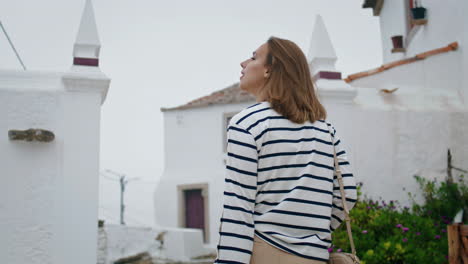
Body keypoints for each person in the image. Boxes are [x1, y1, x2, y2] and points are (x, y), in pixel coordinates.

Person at [214, 37, 357, 264]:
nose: (243, 63)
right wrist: (310, 232)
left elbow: (239, 204)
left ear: (270, 69)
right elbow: (346, 194)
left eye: (253, 57)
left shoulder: (247, 123)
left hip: (264, 253)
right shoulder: (325, 130)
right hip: (315, 255)